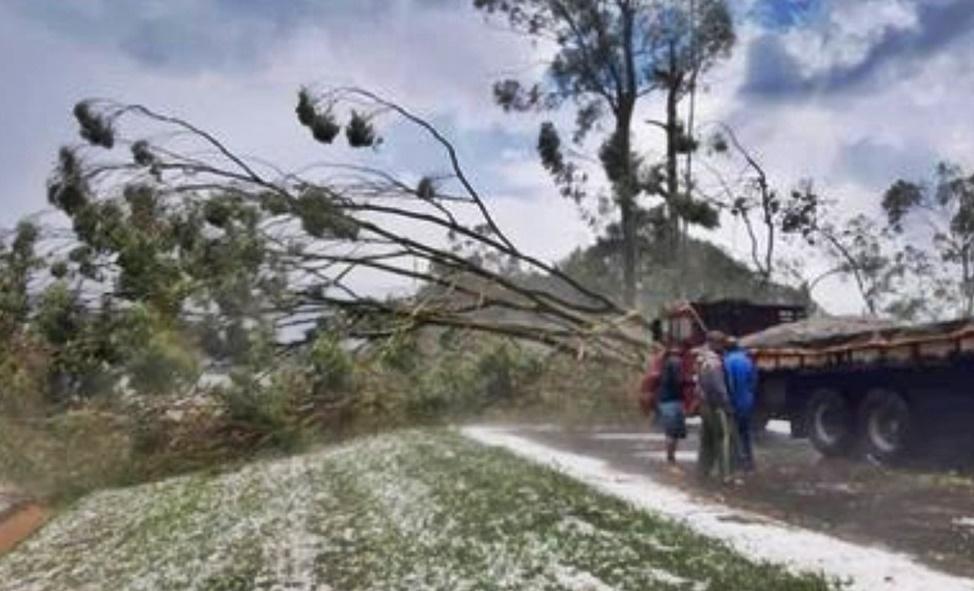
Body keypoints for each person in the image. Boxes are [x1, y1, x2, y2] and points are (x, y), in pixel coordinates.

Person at [695, 330, 736, 483]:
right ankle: (726, 474)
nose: (723, 347)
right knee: (723, 438)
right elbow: (719, 387)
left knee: (706, 439)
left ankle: (703, 471)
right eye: (721, 343)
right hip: (716, 406)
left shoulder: (701, 358)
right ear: (715, 343)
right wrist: (727, 405)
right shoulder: (714, 363)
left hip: (704, 403)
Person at [639, 343, 687, 465]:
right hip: (670, 401)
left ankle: (670, 457)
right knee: (672, 432)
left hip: (666, 400)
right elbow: (678, 380)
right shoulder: (674, 363)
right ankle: (670, 458)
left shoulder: (663, 365)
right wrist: (691, 381)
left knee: (672, 432)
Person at [724, 336, 758, 471]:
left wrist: (728, 402)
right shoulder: (747, 360)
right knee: (745, 433)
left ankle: (736, 463)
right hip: (747, 401)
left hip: (734, 402)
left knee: (733, 433)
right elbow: (753, 381)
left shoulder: (727, 361)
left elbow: (729, 384)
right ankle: (749, 463)